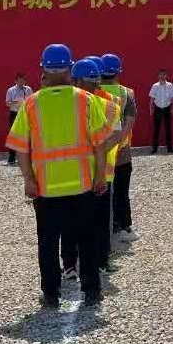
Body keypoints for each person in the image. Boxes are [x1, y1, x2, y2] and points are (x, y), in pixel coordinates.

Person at [6, 44, 114, 306]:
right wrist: (100, 176)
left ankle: (51, 294)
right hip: (82, 185)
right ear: (70, 69)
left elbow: (21, 147)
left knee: (47, 242)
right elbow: (100, 145)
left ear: (44, 69)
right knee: (87, 238)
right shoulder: (85, 100)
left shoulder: (31, 103)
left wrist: (28, 180)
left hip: (46, 188)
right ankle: (91, 291)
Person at [68, 57, 124, 277]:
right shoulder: (112, 104)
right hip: (104, 171)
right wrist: (97, 154)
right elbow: (116, 135)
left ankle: (71, 263)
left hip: (77, 170)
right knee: (101, 219)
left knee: (74, 218)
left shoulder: (72, 104)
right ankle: (102, 260)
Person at [99, 54, 138, 238]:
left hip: (98, 149)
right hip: (121, 151)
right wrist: (120, 142)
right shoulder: (126, 93)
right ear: (118, 72)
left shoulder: (91, 92)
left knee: (101, 190)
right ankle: (124, 226)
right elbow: (129, 122)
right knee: (122, 189)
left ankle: (105, 226)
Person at [5, 73, 33, 165]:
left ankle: (27, 156)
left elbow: (32, 101)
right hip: (15, 113)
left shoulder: (28, 89)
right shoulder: (11, 90)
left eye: (23, 80)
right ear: (15, 81)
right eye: (19, 80)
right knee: (13, 134)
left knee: (27, 134)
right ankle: (11, 156)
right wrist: (17, 102)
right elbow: (7, 103)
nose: (21, 82)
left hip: (26, 114)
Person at [149, 69, 173, 154]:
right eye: (161, 75)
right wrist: (151, 109)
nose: (162, 76)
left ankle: (170, 148)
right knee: (156, 129)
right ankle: (154, 149)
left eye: (164, 74)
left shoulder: (170, 85)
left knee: (168, 129)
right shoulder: (155, 86)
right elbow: (152, 98)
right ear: (158, 76)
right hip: (157, 109)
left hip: (167, 108)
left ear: (166, 76)